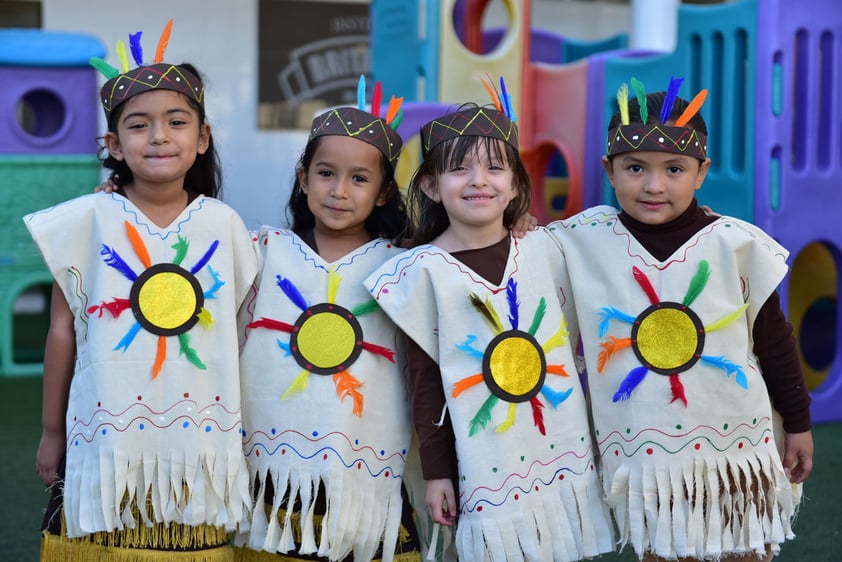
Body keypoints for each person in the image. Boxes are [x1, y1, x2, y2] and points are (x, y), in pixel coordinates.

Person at [550, 78, 814, 561]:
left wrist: (798, 423)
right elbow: (512, 255)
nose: (654, 185)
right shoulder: (577, 241)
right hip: (644, 457)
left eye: (674, 168)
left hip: (736, 454)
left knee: (744, 551)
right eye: (635, 168)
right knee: (664, 549)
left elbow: (775, 341)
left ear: (701, 172)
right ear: (608, 169)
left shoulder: (737, 245)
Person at [25, 21, 257, 561]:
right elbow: (61, 330)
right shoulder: (87, 221)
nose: (158, 136)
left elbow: (243, 333)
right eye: (139, 125)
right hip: (105, 434)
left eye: (176, 122)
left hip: (199, 437)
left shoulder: (224, 225)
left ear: (201, 138)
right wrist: (50, 431)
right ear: (113, 143)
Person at [363, 85, 615, 561]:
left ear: (517, 184)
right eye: (459, 168)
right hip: (481, 462)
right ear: (430, 186)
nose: (479, 180)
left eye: (495, 167)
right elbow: (426, 382)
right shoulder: (422, 272)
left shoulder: (548, 249)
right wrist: (437, 472)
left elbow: (625, 240)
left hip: (559, 448)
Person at [234, 78, 422, 561]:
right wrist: (121, 195)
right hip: (273, 470)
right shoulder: (262, 252)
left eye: (359, 179)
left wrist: (518, 221)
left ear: (383, 193)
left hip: (365, 473)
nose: (339, 191)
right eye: (325, 173)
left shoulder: (403, 266)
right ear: (303, 178)